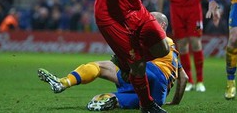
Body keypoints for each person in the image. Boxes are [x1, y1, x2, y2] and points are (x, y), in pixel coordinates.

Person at [38, 12, 188, 111]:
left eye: (151, 20)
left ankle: (64, 82)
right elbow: (184, 78)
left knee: (115, 64)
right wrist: (175, 101)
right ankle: (104, 97)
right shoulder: (173, 50)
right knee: (113, 94)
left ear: (161, 25)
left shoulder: (159, 40)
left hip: (152, 76)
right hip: (154, 94)